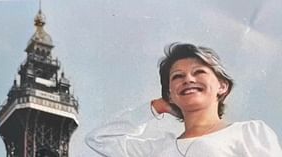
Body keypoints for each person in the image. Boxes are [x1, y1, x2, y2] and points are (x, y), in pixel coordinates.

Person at [85, 42, 282, 157]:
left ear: (222, 86)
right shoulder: (158, 149)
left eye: (199, 72)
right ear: (170, 93)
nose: (188, 79)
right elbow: (99, 139)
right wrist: (156, 107)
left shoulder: (249, 133)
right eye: (177, 76)